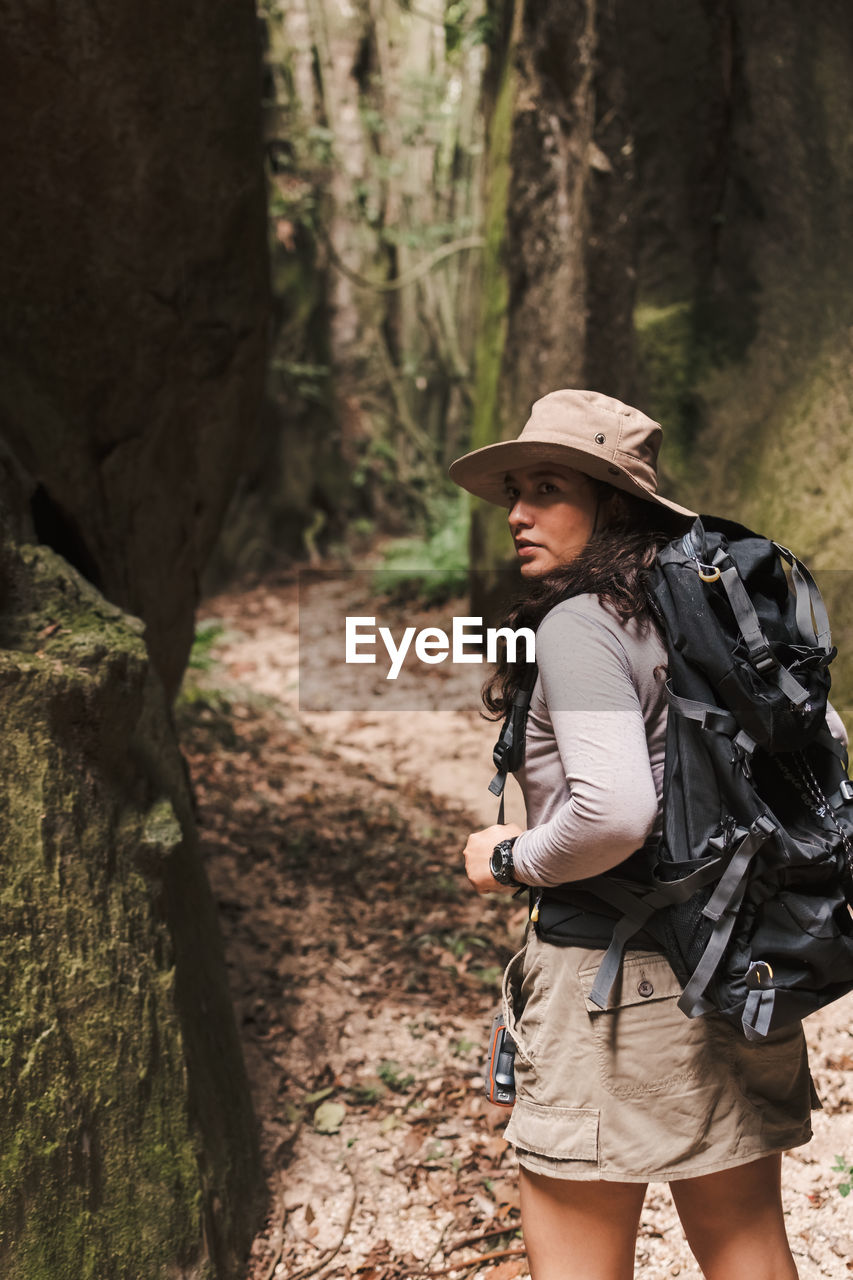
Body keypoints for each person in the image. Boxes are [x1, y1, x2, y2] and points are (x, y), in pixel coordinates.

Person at [448, 389, 830, 1280]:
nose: (516, 512)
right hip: (736, 966)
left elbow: (613, 811)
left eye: (547, 488)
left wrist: (507, 858)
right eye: (515, 489)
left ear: (611, 505)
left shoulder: (582, 624)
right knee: (744, 1245)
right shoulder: (713, 620)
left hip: (614, 990)